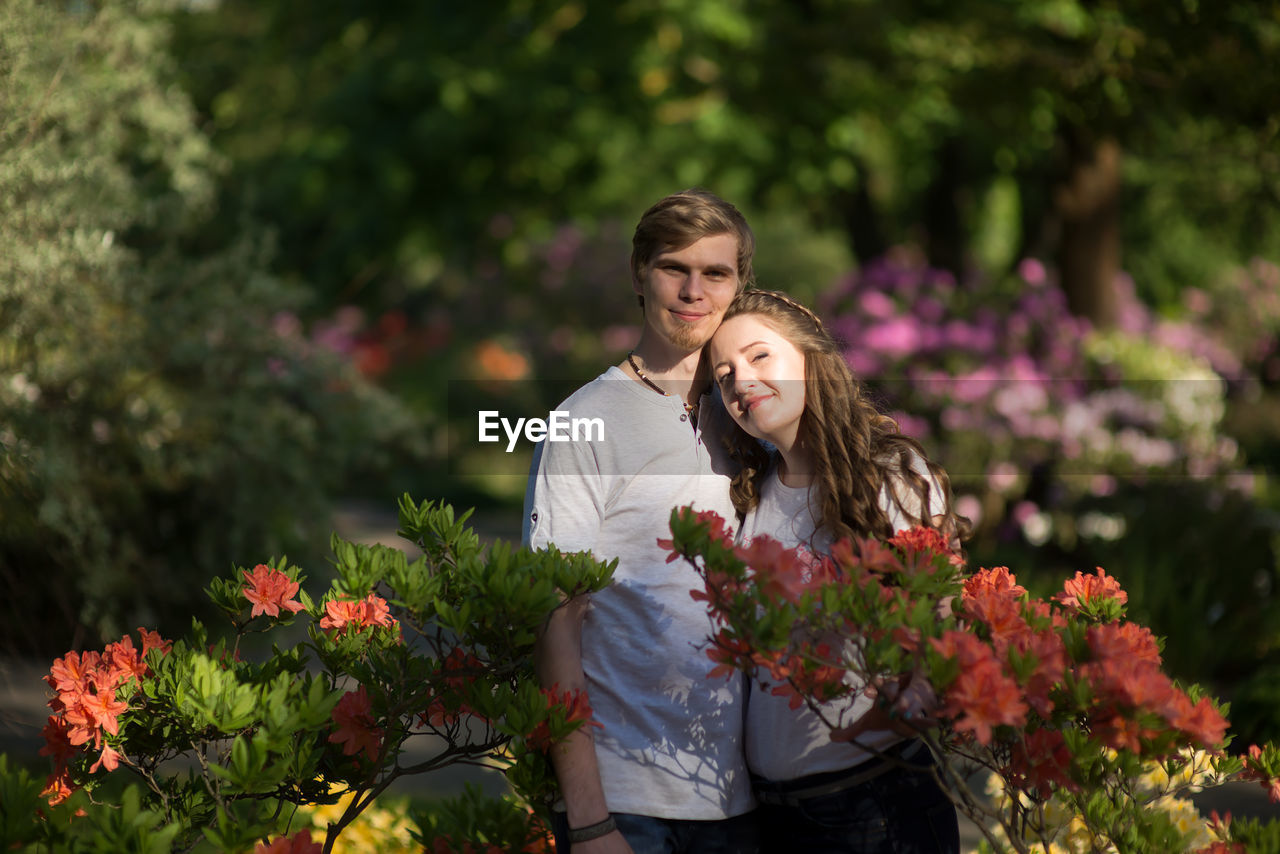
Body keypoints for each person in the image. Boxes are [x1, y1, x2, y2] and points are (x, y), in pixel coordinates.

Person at [523, 189, 760, 853]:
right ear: (639, 273)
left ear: (739, 284)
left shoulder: (752, 415)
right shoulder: (583, 421)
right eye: (673, 268)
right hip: (627, 805)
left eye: (715, 272)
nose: (693, 290)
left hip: (745, 799)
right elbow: (555, 620)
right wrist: (591, 818)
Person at [705, 288, 967, 854]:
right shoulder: (757, 496)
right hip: (776, 815)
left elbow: (942, 617)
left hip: (872, 803)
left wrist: (898, 709)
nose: (739, 382)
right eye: (723, 374)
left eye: (759, 357)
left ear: (811, 357)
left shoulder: (888, 471)